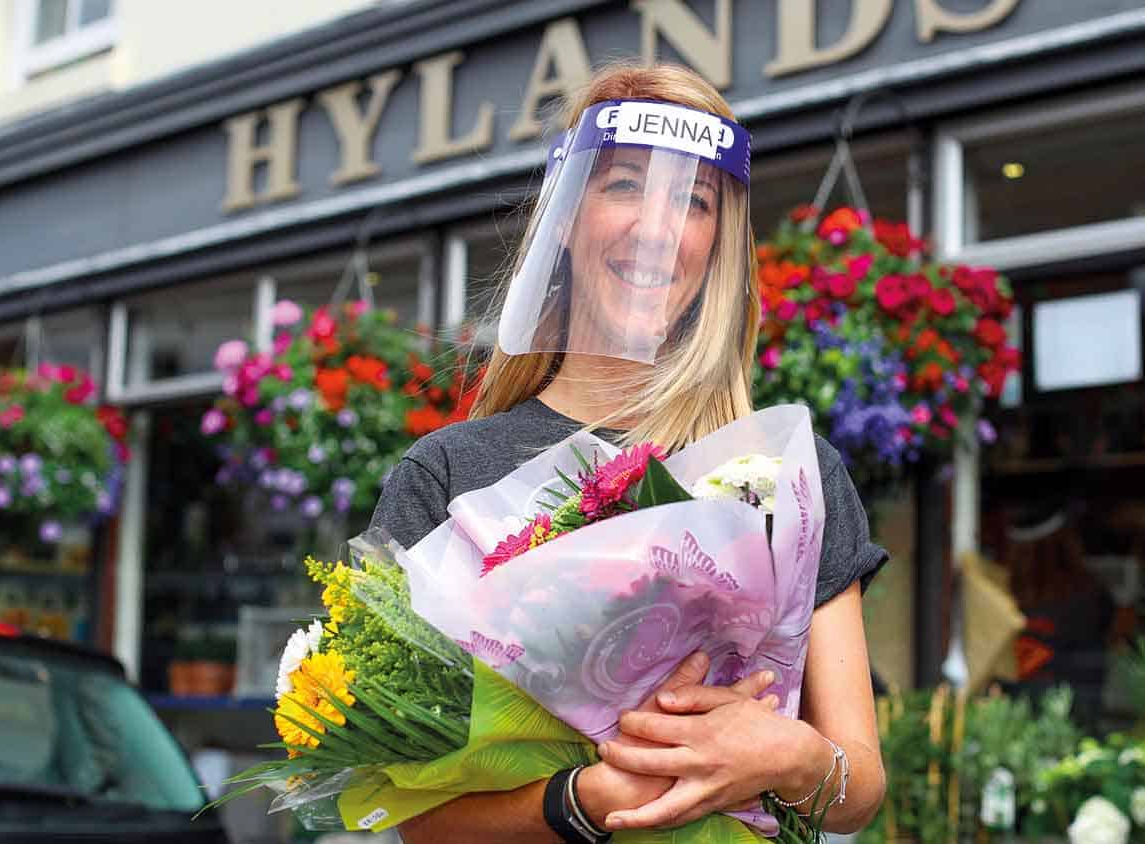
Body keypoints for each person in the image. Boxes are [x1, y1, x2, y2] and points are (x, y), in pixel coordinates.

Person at [370, 61, 888, 842]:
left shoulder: (787, 475)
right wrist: (586, 800)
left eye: (693, 201)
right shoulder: (446, 476)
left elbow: (858, 789)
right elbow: (411, 821)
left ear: (717, 243)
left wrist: (791, 757)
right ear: (567, 219)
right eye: (622, 186)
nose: (655, 226)